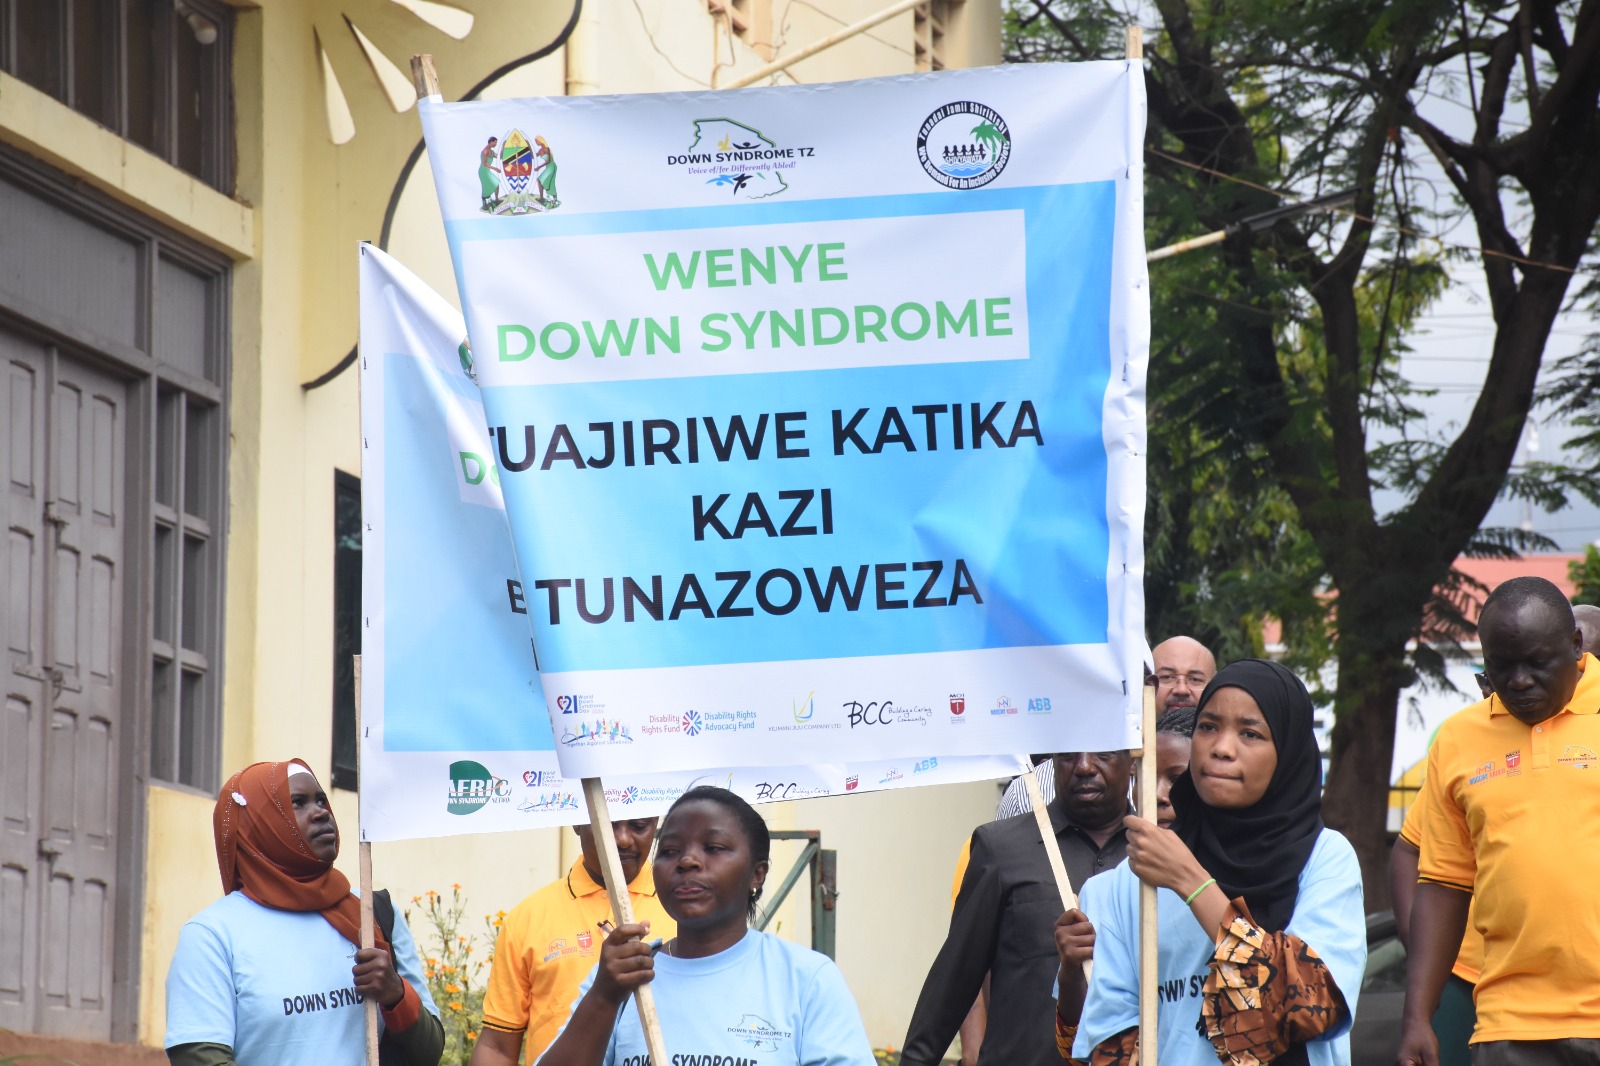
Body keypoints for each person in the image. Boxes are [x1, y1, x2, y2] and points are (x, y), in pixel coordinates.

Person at [1066, 660, 1366, 1065]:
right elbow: (1109, 1042)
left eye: (1250, 733)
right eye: (1207, 727)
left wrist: (1192, 883)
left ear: (1288, 753)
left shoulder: (1324, 858)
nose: (1222, 747)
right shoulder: (1132, 882)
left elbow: (1311, 1008)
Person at [1398, 577, 1600, 1066]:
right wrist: (1418, 1015)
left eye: (1537, 662)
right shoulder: (1458, 740)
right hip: (1509, 1026)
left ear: (1575, 645)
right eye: (1501, 666)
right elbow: (1443, 885)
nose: (1519, 681)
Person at [538, 786, 874, 1066]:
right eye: (670, 850)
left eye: (713, 848)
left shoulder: (806, 980)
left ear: (757, 874)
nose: (687, 861)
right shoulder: (623, 976)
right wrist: (603, 998)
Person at [164, 759, 443, 1066]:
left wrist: (396, 994)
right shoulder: (212, 936)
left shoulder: (372, 914)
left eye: (321, 800)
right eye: (298, 802)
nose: (321, 812)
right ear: (260, 823)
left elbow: (429, 1053)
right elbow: (200, 1058)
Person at [900, 751, 1135, 1066]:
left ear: (1133, 760)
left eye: (1103, 753)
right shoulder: (1001, 848)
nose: (1084, 767)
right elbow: (953, 981)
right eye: (1068, 755)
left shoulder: (1159, 853)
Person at [470, 818, 673, 1066]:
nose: (623, 839)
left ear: (655, 823)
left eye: (638, 825)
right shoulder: (528, 918)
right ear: (577, 821)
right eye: (608, 824)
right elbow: (497, 1047)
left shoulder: (683, 911)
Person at [995, 638, 1213, 819]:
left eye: (1115, 685)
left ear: (1147, 688)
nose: (1085, 768)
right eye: (1086, 680)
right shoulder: (1029, 793)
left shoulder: (1207, 776)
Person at [478, 136, 501, 210]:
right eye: (495, 142)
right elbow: (484, 163)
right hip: (483, 171)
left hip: (487, 171)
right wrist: (495, 168)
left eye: (496, 143)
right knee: (486, 187)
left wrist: (503, 148)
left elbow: (499, 157)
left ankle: (496, 200)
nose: (496, 144)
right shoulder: (485, 150)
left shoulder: (492, 152)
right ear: (491, 142)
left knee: (496, 183)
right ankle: (485, 204)